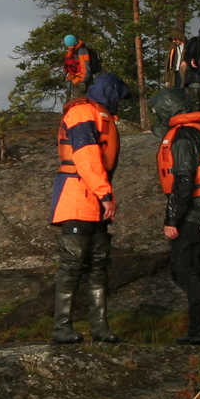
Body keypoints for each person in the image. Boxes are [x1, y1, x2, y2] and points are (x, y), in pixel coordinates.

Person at [51, 51, 131, 344]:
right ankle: (62, 327)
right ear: (109, 93)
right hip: (76, 198)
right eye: (118, 96)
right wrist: (106, 194)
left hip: (94, 200)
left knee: (98, 264)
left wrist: (103, 196)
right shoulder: (83, 112)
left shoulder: (100, 113)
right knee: (72, 264)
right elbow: (85, 156)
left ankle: (100, 327)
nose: (119, 103)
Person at [151, 86, 200, 345]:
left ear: (167, 109)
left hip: (194, 211)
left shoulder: (184, 136)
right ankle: (199, 329)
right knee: (198, 271)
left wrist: (172, 218)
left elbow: (184, 178)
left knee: (183, 271)